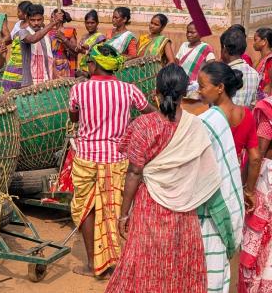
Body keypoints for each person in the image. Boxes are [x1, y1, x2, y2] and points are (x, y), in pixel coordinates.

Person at [106, 64, 221, 292]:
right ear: (184, 94)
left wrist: (123, 214)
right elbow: (204, 170)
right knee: (179, 265)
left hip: (150, 206)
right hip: (184, 209)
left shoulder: (143, 126)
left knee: (145, 262)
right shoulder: (194, 125)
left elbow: (134, 173)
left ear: (156, 92)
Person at [69, 43, 155, 278]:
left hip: (87, 157)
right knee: (115, 208)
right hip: (117, 159)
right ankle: (116, 261)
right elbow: (152, 113)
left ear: (93, 65)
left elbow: (73, 115)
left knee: (86, 209)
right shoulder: (129, 90)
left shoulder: (79, 90)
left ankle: (91, 263)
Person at [197, 62, 248, 292]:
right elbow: (253, 155)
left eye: (201, 86)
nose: (198, 91)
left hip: (214, 194)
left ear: (219, 88)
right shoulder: (243, 114)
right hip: (230, 181)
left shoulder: (209, 120)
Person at [239, 96, 272, 292]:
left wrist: (247, 188)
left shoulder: (268, 109)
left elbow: (257, 154)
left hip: (267, 183)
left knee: (260, 240)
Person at [16, 4, 63, 87]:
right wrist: (53, 23)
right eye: (32, 20)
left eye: (39, 20)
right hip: (29, 84)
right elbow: (33, 39)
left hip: (46, 82)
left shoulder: (46, 35)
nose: (36, 23)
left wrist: (58, 78)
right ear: (27, 19)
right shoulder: (23, 32)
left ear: (43, 19)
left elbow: (50, 59)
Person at [220, 28, 260, 108]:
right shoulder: (254, 73)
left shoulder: (223, 73)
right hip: (245, 118)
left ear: (224, 50)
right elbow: (253, 103)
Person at [1, 1, 32, 92]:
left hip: (23, 64)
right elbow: (10, 39)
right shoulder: (18, 24)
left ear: (25, 14)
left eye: (19, 12)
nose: (17, 14)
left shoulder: (31, 27)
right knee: (7, 86)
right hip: (12, 62)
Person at [48, 9, 77, 77]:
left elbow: (75, 52)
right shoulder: (48, 31)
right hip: (50, 64)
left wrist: (63, 38)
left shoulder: (68, 32)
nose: (51, 19)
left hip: (63, 64)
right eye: (51, 17)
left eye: (53, 16)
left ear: (60, 18)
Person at [76, 10, 106, 75]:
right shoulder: (84, 36)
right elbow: (79, 50)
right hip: (83, 68)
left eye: (92, 23)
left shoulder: (100, 37)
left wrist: (87, 48)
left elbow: (96, 54)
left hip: (93, 69)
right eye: (87, 23)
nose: (89, 25)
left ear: (97, 23)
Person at [254, 28, 272, 100]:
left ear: (264, 41)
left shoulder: (270, 60)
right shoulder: (259, 60)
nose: (254, 43)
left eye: (256, 40)